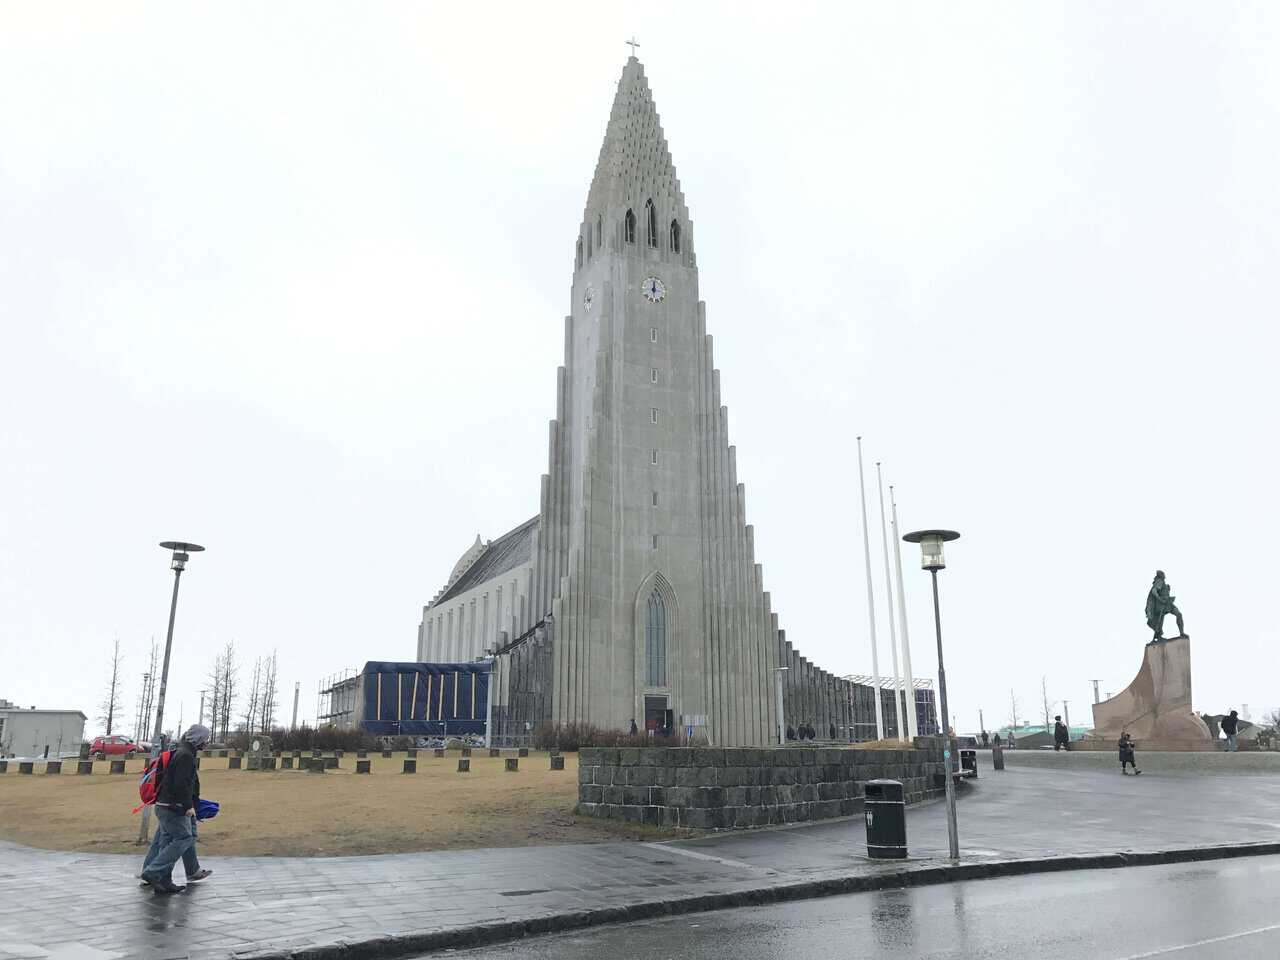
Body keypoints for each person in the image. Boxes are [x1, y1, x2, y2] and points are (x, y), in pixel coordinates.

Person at [140, 724, 211, 894]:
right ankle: (152, 872)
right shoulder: (185, 755)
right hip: (173, 806)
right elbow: (181, 784)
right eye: (205, 739)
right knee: (184, 838)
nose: (206, 743)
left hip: (165, 805)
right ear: (198, 739)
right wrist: (188, 806)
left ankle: (165, 881)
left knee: (166, 841)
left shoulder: (181, 751)